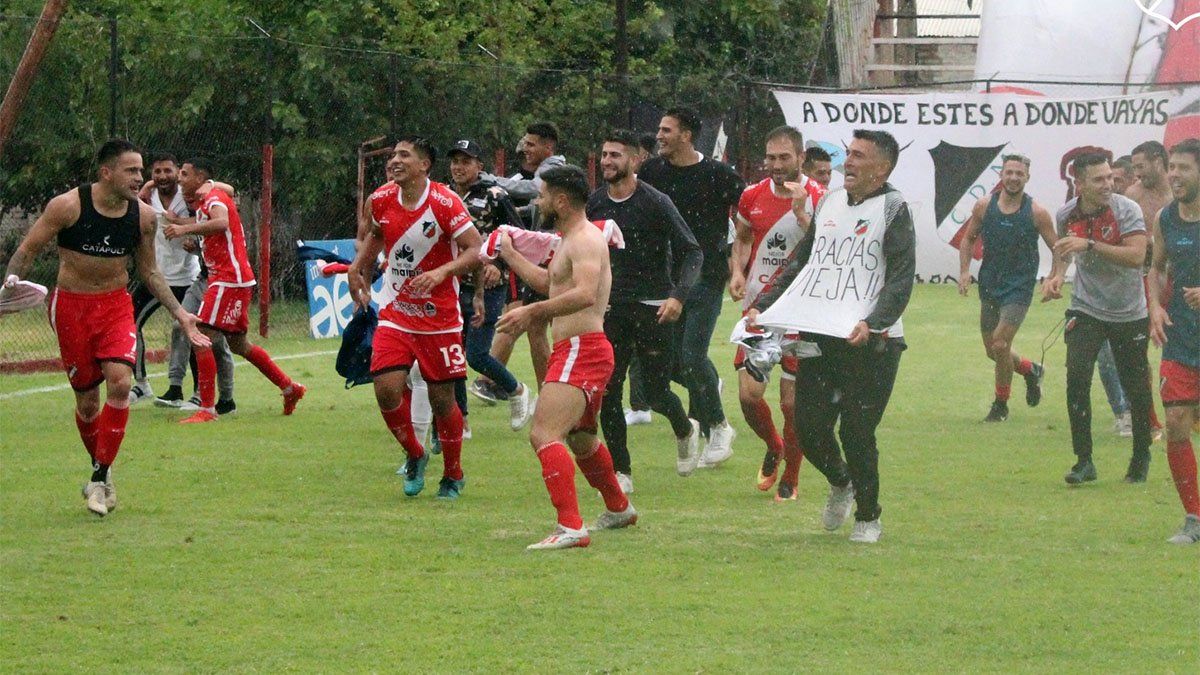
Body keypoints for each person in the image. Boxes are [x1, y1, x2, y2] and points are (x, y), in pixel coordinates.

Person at [0, 139, 209, 516]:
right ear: (106, 173)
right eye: (131, 171)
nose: (139, 178)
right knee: (87, 402)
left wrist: (180, 313)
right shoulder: (67, 206)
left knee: (121, 381)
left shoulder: (144, 217)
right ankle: (105, 475)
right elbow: (28, 250)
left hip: (115, 306)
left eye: (141, 170)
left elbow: (148, 271)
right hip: (72, 309)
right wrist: (10, 285)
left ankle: (98, 478)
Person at [750, 129, 916, 544]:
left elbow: (900, 277)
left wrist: (875, 320)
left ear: (883, 168)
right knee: (809, 429)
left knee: (857, 431)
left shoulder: (894, 208)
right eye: (849, 154)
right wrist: (764, 303)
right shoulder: (829, 201)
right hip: (821, 335)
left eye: (859, 156)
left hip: (873, 341)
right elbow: (803, 262)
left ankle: (868, 515)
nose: (850, 163)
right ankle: (841, 482)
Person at [495, 165, 636, 550]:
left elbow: (586, 293)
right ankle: (619, 507)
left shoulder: (586, 240)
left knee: (544, 433)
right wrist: (510, 255)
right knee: (581, 437)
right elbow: (550, 284)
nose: (537, 202)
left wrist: (531, 313)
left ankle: (571, 526)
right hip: (579, 349)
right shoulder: (570, 240)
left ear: (560, 200)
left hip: (582, 349)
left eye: (542, 195)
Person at [348, 136, 483, 500]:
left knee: (443, 401)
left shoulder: (444, 202)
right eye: (393, 155)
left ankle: (453, 474)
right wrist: (357, 268)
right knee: (385, 387)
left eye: (403, 155)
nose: (394, 161)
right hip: (395, 309)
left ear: (424, 165)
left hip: (439, 317)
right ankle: (415, 453)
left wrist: (443, 273)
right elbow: (376, 235)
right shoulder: (380, 199)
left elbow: (475, 249)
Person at [587, 130, 704, 493]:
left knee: (654, 391)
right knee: (609, 389)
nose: (607, 161)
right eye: (604, 154)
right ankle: (621, 471)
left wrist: (678, 296)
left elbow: (692, 251)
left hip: (654, 307)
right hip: (610, 307)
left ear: (636, 160)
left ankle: (685, 427)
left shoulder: (656, 201)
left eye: (616, 155)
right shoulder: (594, 205)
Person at [165, 158, 307, 423]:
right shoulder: (209, 195)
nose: (179, 178)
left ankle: (207, 409)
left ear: (199, 177)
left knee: (202, 334)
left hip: (227, 279)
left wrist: (185, 228)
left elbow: (220, 223)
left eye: (184, 174)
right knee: (239, 344)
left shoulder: (213, 199)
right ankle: (290, 388)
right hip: (234, 278)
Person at [640, 107, 744, 464]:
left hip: (706, 276)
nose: (659, 135)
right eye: (659, 128)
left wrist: (738, 264)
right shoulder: (651, 171)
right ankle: (707, 385)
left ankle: (718, 426)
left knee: (691, 357)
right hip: (666, 280)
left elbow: (746, 216)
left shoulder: (718, 174)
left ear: (686, 135)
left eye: (666, 129)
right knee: (669, 365)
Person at [1044, 152, 1154, 485]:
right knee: (1076, 377)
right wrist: (1056, 277)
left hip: (1128, 311)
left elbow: (1136, 257)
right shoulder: (1066, 213)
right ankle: (1084, 461)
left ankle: (1140, 456)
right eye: (1099, 179)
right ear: (1079, 184)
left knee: (1135, 386)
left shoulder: (1126, 210)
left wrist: (1090, 244)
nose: (1108, 184)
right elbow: (1064, 251)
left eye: (1109, 177)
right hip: (1086, 307)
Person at [729, 125, 825, 501]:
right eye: (770, 157)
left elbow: (826, 249)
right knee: (750, 396)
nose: (776, 164)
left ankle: (792, 478)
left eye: (784, 157)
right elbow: (742, 237)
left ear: (801, 158)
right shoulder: (751, 195)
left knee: (791, 404)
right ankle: (774, 445)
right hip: (759, 311)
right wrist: (737, 272)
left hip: (802, 314)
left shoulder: (820, 198)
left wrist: (802, 215)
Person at [956, 154, 1056, 422]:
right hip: (990, 285)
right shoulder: (984, 206)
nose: (1013, 178)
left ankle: (1001, 404)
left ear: (1027, 177)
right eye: (1009, 172)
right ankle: (1031, 370)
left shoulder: (1037, 213)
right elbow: (968, 239)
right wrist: (965, 271)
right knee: (993, 351)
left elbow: (1058, 248)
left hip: (1019, 288)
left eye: (1019, 174)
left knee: (1000, 343)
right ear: (1001, 175)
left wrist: (1054, 277)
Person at [447, 138, 532, 429]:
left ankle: (516, 389)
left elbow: (518, 236)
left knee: (476, 355)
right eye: (455, 161)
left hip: (489, 287)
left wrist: (499, 263)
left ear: (479, 166)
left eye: (465, 161)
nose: (459, 167)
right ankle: (462, 419)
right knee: (452, 355)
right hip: (453, 284)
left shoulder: (495, 195)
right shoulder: (444, 196)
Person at [1147, 138, 1200, 544]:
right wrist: (1154, 307)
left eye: (1183, 168)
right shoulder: (1166, 218)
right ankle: (1194, 519)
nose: (1175, 176)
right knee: (1177, 424)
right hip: (1180, 338)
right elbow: (1156, 268)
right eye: (1172, 168)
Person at [124, 153, 200, 405]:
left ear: (178, 172)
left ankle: (198, 392)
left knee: (190, 332)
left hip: (187, 278)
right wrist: (145, 188)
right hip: (157, 278)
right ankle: (141, 384)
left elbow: (208, 223)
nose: (162, 176)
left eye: (168, 171)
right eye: (157, 172)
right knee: (129, 324)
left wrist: (194, 242)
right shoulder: (147, 197)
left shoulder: (189, 196)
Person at [1125, 140, 1172, 436]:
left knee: (1184, 348)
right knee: (1137, 352)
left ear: (1158, 161)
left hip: (1183, 280)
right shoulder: (1133, 195)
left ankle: (1187, 410)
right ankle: (1150, 421)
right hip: (1146, 279)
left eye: (1141, 166)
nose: (1137, 174)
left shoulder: (1183, 192)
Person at [622, 131, 663, 429]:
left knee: (644, 348)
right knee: (643, 349)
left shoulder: (654, 193)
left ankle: (640, 405)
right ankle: (705, 383)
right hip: (629, 280)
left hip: (653, 281)